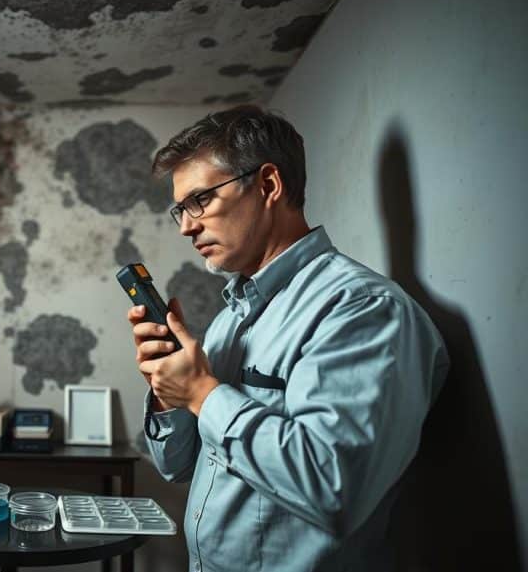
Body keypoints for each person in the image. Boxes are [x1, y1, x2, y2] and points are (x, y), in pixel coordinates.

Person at [128, 105, 448, 571]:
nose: (186, 225)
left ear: (268, 185)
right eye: (180, 208)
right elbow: (178, 465)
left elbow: (334, 489)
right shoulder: (229, 320)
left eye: (200, 200)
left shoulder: (363, 310)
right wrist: (168, 393)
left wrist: (202, 392)